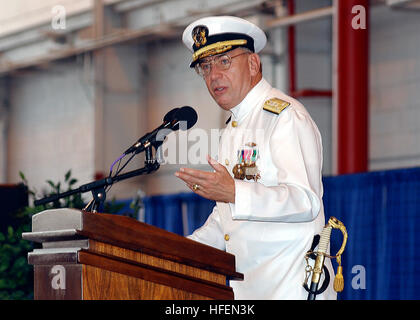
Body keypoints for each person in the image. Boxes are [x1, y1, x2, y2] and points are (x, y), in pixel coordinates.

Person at [175, 16, 336, 300]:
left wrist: (235, 191)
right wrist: (174, 251)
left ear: (253, 63)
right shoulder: (233, 127)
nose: (213, 76)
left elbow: (305, 200)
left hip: (290, 288)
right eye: (206, 66)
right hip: (249, 291)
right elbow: (227, 217)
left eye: (224, 61)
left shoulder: (285, 117)